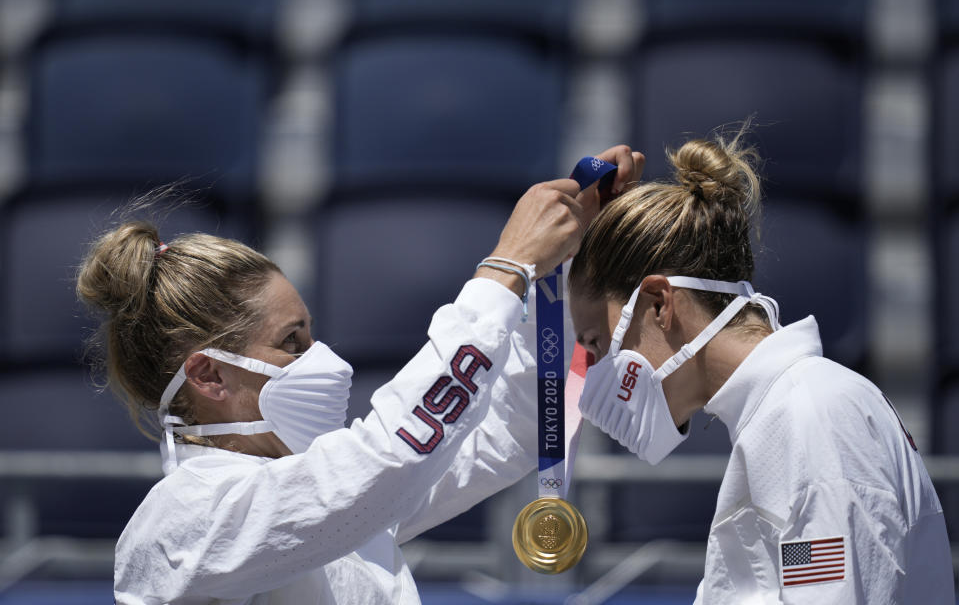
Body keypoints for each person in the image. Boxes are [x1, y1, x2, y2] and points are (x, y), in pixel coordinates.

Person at [77, 147, 643, 605]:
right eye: (290, 342)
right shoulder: (186, 519)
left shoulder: (316, 485)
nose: (321, 358)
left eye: (311, 333)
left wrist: (570, 262)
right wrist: (504, 270)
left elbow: (508, 432)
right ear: (209, 377)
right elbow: (394, 456)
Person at [568, 128, 955, 603]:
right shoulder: (786, 415)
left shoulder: (812, 415)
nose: (590, 366)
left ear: (658, 304)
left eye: (595, 341)